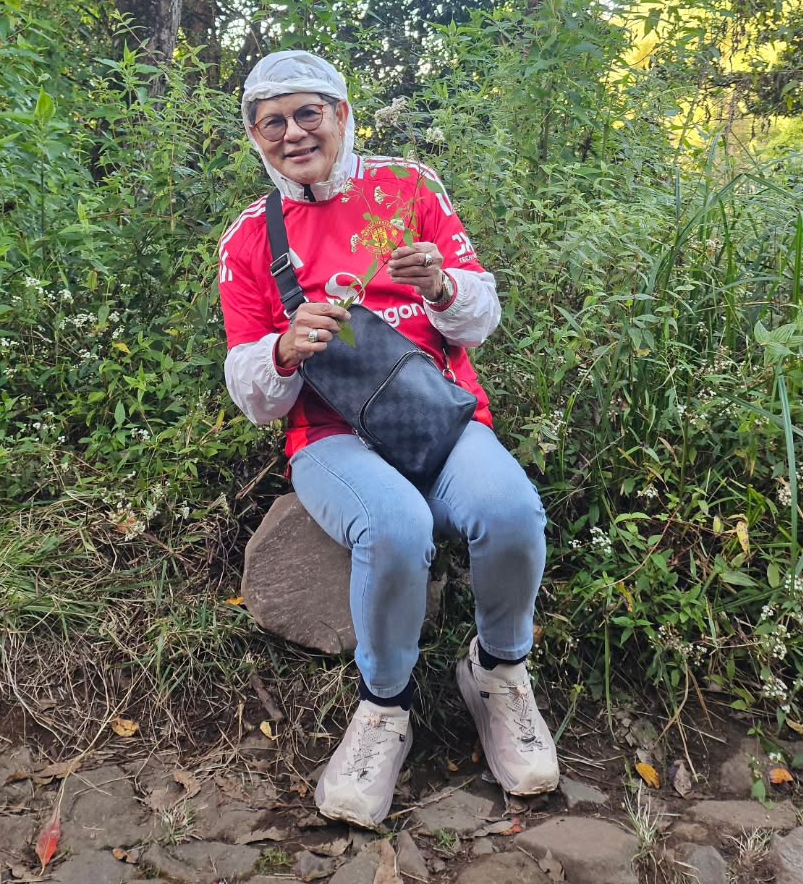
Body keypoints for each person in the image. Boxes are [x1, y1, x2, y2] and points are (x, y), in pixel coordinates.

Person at [219, 50, 559, 828]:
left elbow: (481, 311)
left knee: (509, 514)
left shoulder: (408, 186)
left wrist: (439, 284)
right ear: (255, 138)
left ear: (341, 113)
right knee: (396, 527)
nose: (293, 133)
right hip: (329, 433)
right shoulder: (248, 240)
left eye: (309, 112)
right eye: (272, 122)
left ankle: (498, 673)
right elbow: (253, 395)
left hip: (435, 413)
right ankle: (385, 707)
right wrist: (282, 349)